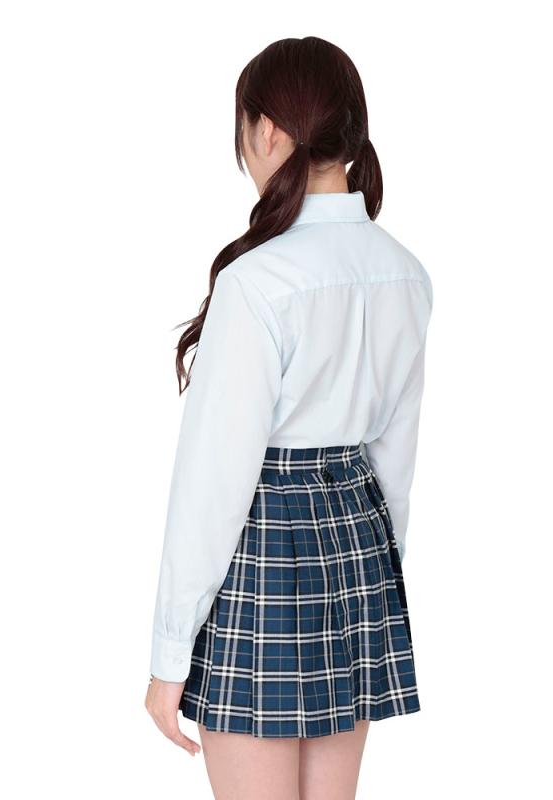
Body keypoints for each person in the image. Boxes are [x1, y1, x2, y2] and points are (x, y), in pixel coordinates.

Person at [145, 36, 433, 800]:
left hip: (263, 548)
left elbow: (214, 484)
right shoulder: (405, 273)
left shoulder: (258, 281)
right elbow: (395, 463)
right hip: (359, 548)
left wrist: (170, 656)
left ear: (268, 130)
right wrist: (375, 579)